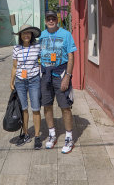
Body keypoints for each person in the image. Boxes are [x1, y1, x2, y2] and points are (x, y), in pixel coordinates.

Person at [39, 10, 77, 153]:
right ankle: (52, 134)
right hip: (45, 74)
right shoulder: (41, 36)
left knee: (65, 106)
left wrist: (67, 76)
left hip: (60, 73)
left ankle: (69, 137)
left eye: (53, 18)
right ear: (45, 21)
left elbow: (71, 56)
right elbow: (37, 55)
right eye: (48, 18)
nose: (50, 21)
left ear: (57, 19)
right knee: (47, 105)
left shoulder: (66, 34)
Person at [10, 24, 42, 150]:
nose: (26, 35)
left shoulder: (37, 47)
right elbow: (14, 66)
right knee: (23, 108)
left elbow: (42, 61)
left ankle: (38, 136)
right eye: (24, 33)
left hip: (34, 80)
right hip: (20, 81)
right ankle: (26, 134)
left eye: (28, 33)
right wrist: (11, 81)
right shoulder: (16, 48)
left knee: (36, 108)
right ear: (21, 36)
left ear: (32, 35)